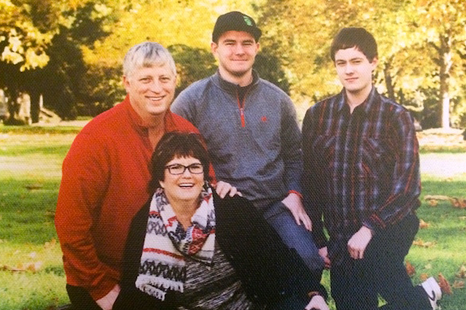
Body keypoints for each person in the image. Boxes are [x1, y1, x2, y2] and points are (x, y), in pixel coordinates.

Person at [55, 42, 234, 310]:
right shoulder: (96, 139)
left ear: (175, 81)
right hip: (106, 278)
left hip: (171, 276)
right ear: (127, 83)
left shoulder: (186, 133)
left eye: (164, 79)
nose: (157, 88)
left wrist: (219, 189)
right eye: (145, 79)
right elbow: (71, 225)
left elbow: (203, 192)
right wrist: (102, 288)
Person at [171, 11, 324, 276]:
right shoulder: (191, 102)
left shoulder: (278, 100)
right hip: (222, 210)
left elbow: (294, 155)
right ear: (214, 49)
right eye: (230, 43)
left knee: (308, 260)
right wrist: (210, 186)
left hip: (274, 206)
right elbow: (173, 162)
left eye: (247, 43)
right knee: (243, 275)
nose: (239, 50)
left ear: (257, 48)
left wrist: (294, 194)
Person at [302, 27, 443, 310]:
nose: (348, 70)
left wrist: (369, 228)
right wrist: (318, 239)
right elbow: (312, 185)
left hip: (388, 227)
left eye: (356, 61)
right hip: (342, 237)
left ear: (373, 62)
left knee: (382, 270)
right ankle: (423, 300)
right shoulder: (318, 116)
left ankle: (418, 300)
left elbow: (407, 188)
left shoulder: (395, 117)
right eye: (341, 63)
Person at [113, 131, 329, 310]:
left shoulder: (230, 207)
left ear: (204, 174)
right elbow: (134, 295)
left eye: (194, 167)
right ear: (161, 178)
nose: (186, 175)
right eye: (175, 168)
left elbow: (279, 256)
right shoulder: (146, 225)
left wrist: (314, 293)